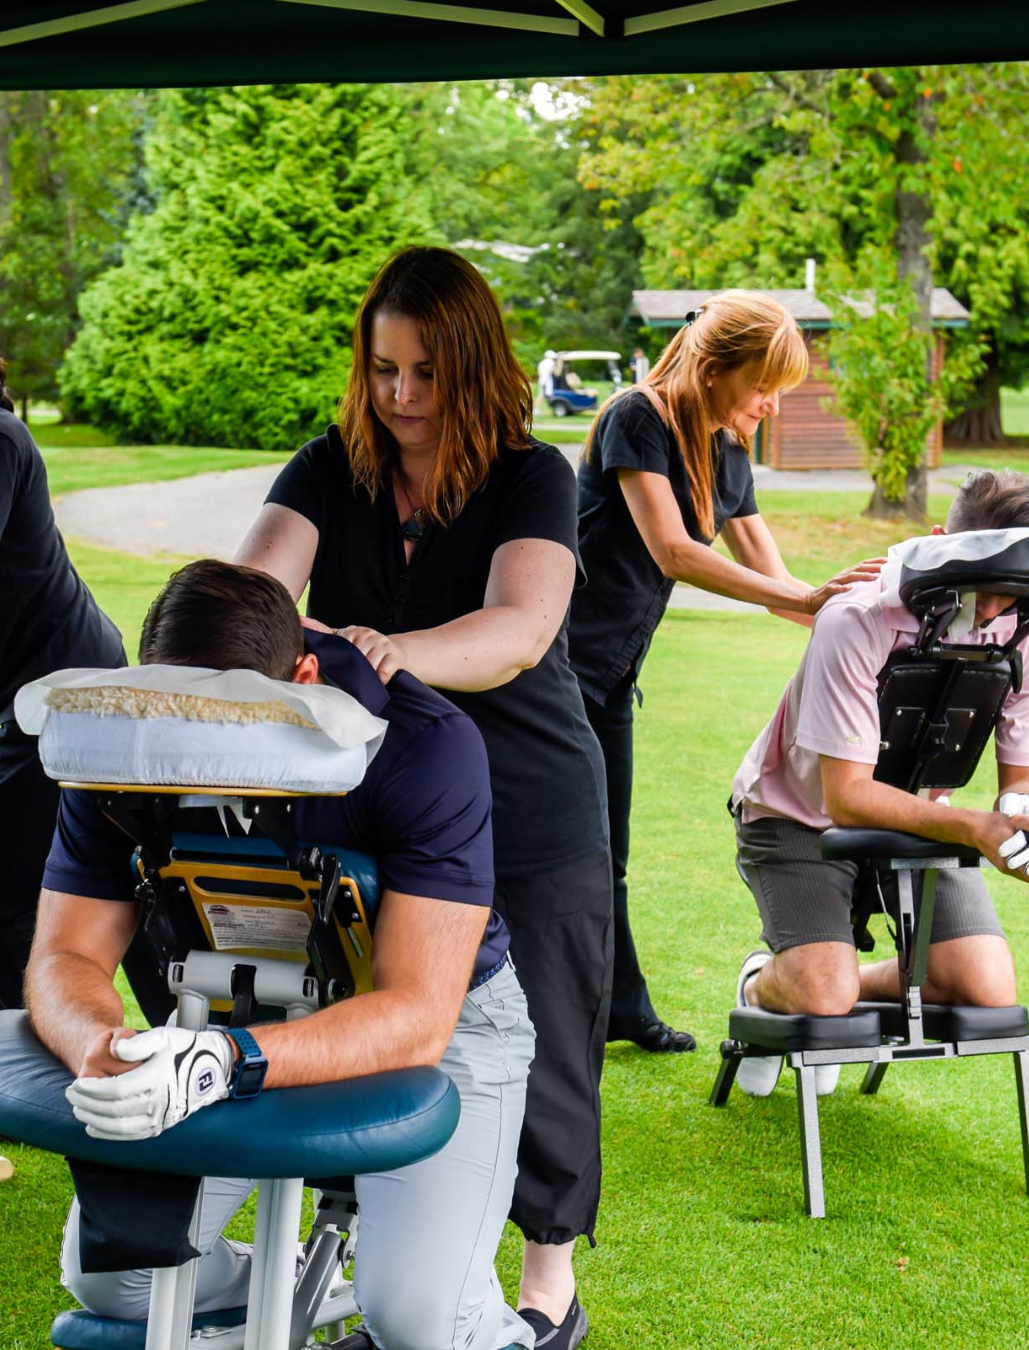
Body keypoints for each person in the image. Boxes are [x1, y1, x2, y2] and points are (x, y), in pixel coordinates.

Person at [234, 246, 609, 1350]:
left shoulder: (534, 474)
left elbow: (519, 629)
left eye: (425, 375)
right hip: (388, 811)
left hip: (535, 807)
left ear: (474, 367)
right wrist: (244, 630)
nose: (399, 397)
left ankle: (546, 1286)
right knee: (382, 1028)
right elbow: (257, 582)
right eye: (383, 369)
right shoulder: (328, 466)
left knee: (532, 1050)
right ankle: (405, 1269)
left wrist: (378, 649)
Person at [26, 559, 536, 1350]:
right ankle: (284, 1286)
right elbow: (64, 955)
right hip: (231, 1011)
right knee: (114, 1278)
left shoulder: (424, 746)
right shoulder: (122, 737)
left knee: (418, 1319)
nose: (196, 759)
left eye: (223, 724)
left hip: (442, 1021)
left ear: (302, 675)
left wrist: (225, 1061)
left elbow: (419, 1016)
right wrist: (100, 1045)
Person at [568, 293, 881, 1054]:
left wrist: (876, 609)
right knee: (563, 851)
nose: (770, 406)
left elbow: (781, 587)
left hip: (610, 681)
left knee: (607, 854)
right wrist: (802, 595)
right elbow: (672, 549)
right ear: (715, 369)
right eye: (763, 385)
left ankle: (617, 1008)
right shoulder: (635, 419)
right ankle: (565, 1008)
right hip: (554, 669)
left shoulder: (728, 455)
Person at [729, 470, 1029, 1098]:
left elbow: (1028, 779)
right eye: (982, 584)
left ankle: (833, 976)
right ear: (940, 542)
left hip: (915, 817)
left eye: (1011, 591)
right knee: (819, 995)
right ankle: (766, 984)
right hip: (796, 814)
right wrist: (978, 830)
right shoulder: (855, 618)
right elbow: (848, 797)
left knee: (986, 988)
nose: (993, 609)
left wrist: (1027, 820)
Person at [0, 357, 124, 1009]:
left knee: (21, 905)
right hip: (18, 697)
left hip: (65, 697)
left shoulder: (1, 438)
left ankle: (25, 1091)